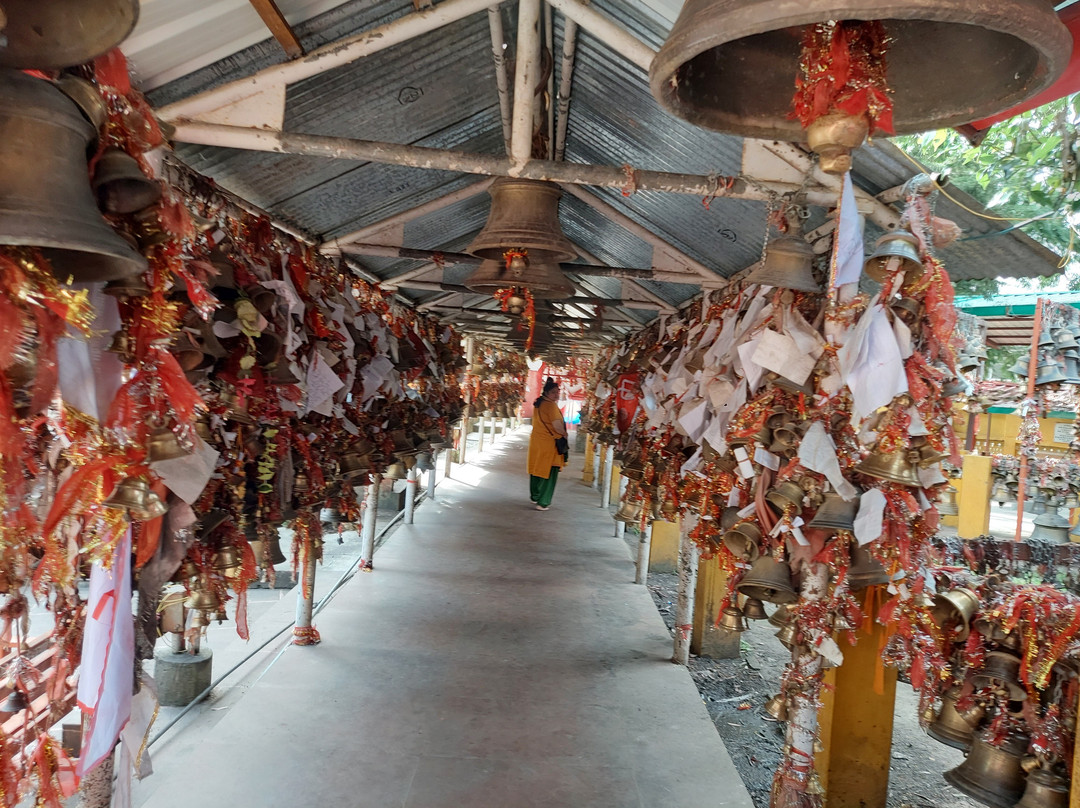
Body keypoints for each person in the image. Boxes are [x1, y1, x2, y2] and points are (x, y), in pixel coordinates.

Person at [527, 378, 567, 511]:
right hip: (549, 444)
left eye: (558, 392)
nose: (557, 395)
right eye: (554, 392)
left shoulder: (539, 404)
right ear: (547, 393)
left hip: (537, 442)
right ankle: (543, 501)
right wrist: (564, 434)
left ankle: (535, 495)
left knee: (536, 469)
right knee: (550, 471)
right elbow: (556, 425)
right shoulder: (550, 406)